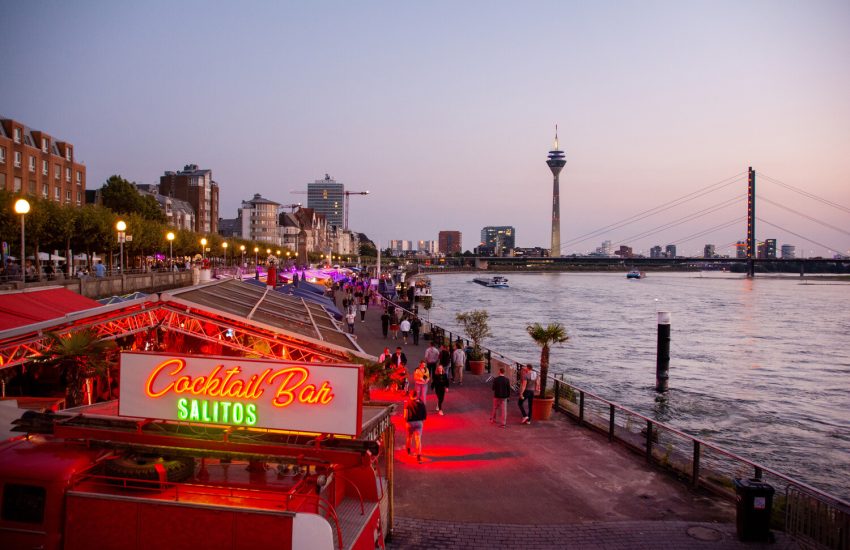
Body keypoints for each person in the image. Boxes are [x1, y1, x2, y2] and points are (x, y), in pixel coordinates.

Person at [404, 390, 427, 463]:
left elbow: (405, 415)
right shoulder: (421, 403)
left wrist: (407, 421)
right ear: (416, 395)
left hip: (410, 423)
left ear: (410, 396)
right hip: (419, 423)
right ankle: (418, 457)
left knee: (409, 437)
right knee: (418, 440)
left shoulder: (407, 403)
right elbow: (424, 414)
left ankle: (408, 451)